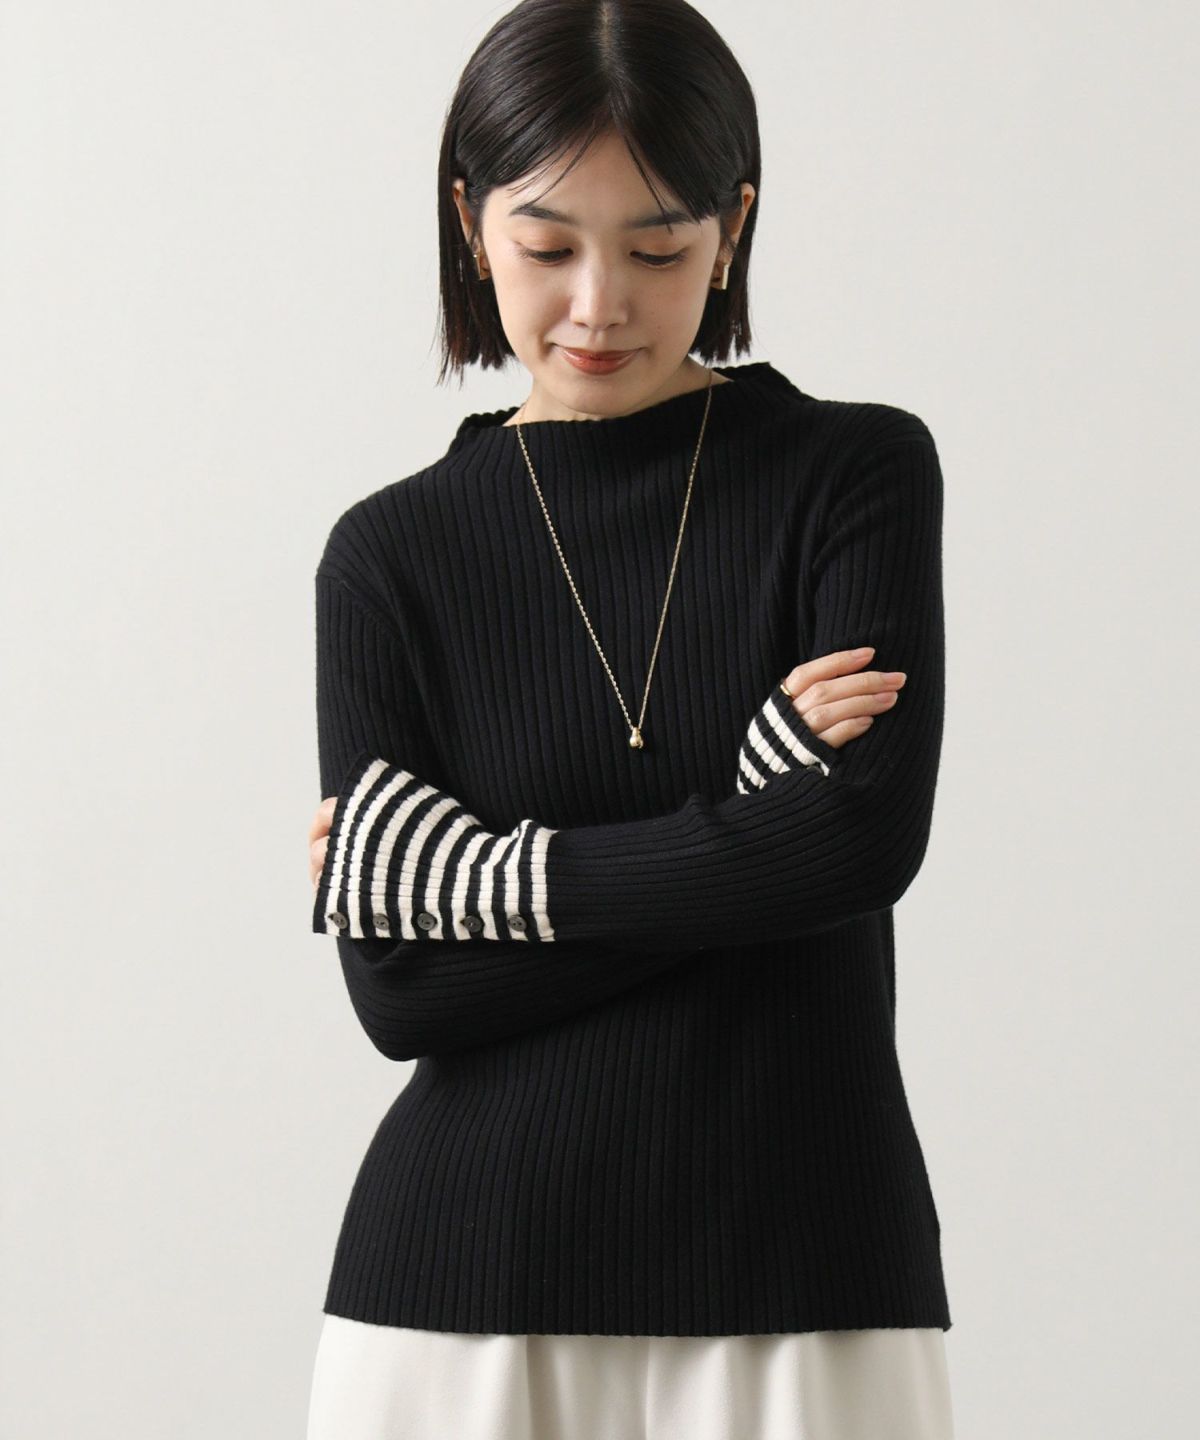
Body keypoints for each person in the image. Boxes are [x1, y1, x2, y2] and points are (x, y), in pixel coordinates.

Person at [304, 1, 955, 1436]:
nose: (598, 305)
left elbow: (859, 847)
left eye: (657, 250)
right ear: (470, 225)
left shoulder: (854, 475)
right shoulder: (390, 555)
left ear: (733, 228)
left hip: (805, 1269)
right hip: (456, 1293)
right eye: (548, 248)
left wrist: (481, 880)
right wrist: (752, 817)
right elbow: (401, 991)